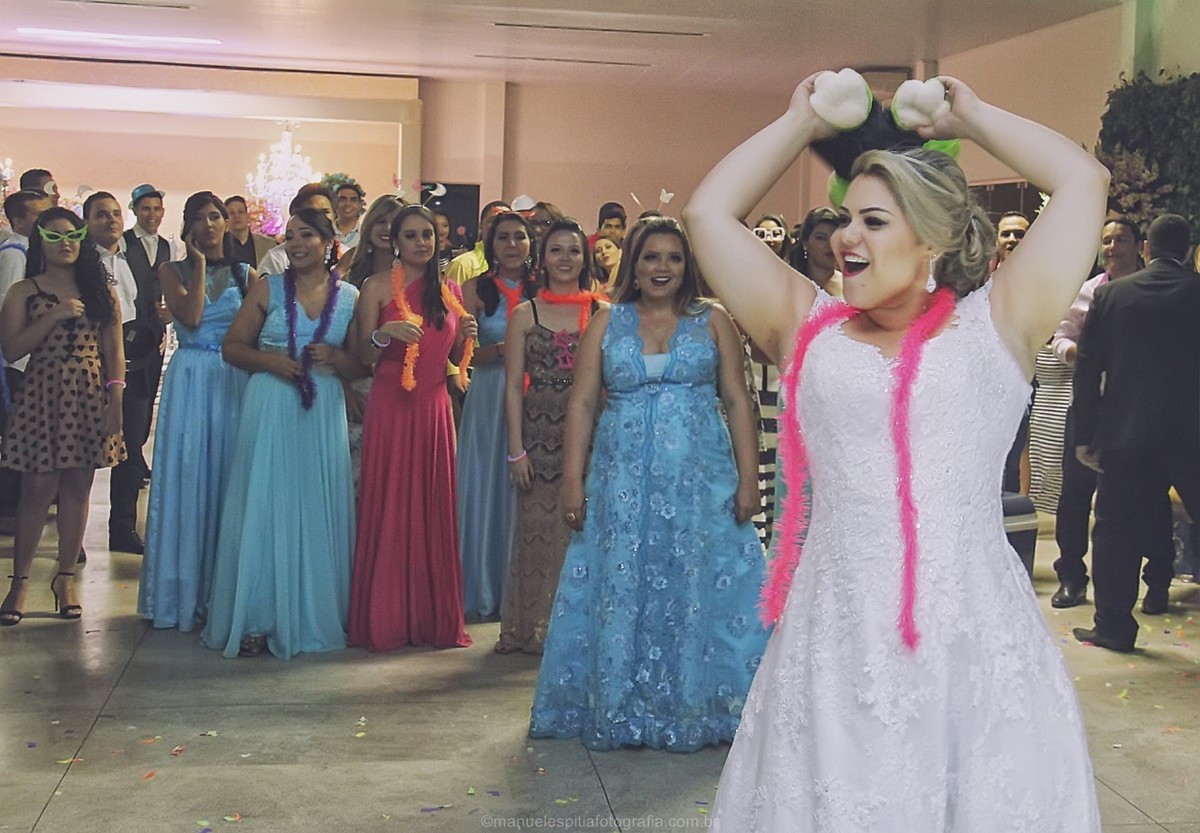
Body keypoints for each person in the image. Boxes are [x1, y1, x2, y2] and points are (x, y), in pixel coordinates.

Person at [683, 71, 1109, 828]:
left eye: (873, 221)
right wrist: (800, 123)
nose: (846, 237)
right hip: (836, 637)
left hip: (971, 636)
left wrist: (972, 117)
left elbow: (1083, 180)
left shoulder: (1001, 323)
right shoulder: (802, 324)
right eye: (846, 219)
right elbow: (706, 213)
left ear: (931, 241)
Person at [528, 216, 766, 750]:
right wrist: (572, 481)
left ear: (688, 266)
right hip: (622, 484)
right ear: (633, 264)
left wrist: (750, 480)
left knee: (699, 584)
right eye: (651, 257)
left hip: (700, 485)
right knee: (621, 582)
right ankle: (617, 704)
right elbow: (581, 404)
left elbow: (737, 400)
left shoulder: (713, 320)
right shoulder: (605, 322)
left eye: (674, 258)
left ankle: (700, 706)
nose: (662, 268)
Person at [201, 208, 362, 659]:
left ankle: (313, 612)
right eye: (289, 236)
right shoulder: (267, 288)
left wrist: (336, 357)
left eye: (306, 235)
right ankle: (257, 615)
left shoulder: (350, 296)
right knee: (268, 505)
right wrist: (270, 361)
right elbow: (232, 348)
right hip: (271, 405)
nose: (295, 244)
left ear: (329, 243)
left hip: (322, 408)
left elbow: (360, 364)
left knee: (314, 505)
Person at [348, 205, 477, 651]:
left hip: (434, 407)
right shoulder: (376, 286)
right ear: (394, 242)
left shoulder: (451, 291)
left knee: (432, 503)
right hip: (391, 403)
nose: (422, 242)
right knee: (390, 502)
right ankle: (386, 616)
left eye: (428, 235)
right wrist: (383, 334)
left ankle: (429, 615)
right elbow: (362, 356)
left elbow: (452, 356)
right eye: (411, 235)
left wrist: (466, 335)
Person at [1072, 213, 1200, 652]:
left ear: (1146, 248)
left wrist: (1085, 436)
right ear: (1188, 250)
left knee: (1115, 532)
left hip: (1127, 434)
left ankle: (1113, 626)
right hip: (1192, 436)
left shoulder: (1112, 295)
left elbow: (1087, 369)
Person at [0, 207, 124, 626]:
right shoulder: (23, 290)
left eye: (72, 235)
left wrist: (116, 399)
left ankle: (65, 578)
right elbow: (12, 348)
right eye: (53, 236)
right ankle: (19, 583)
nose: (64, 243)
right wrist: (54, 314)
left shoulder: (101, 290)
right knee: (36, 488)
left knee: (77, 486)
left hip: (89, 393)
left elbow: (114, 350)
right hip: (42, 392)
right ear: (40, 242)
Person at [138, 192, 255, 632]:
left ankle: (220, 594)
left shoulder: (247, 275)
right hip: (189, 379)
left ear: (227, 222)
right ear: (188, 227)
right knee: (189, 477)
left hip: (232, 378)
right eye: (199, 218)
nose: (208, 225)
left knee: (228, 477)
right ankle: (182, 593)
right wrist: (200, 264)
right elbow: (189, 317)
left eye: (215, 217)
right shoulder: (172, 270)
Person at [1049, 217, 1173, 608]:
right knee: (1074, 496)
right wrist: (1081, 355)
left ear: (1140, 245)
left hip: (1141, 412)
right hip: (1091, 405)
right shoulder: (1089, 291)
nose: (1112, 247)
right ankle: (1071, 577)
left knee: (1149, 498)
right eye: (1106, 240)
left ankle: (1157, 580)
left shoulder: (1157, 289)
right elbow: (1060, 338)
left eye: (1121, 239)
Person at [497, 218, 604, 654]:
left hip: (592, 433)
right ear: (542, 259)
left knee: (585, 532)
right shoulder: (525, 314)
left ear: (585, 258)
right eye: (556, 250)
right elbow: (511, 386)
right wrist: (516, 450)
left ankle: (580, 634)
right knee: (536, 533)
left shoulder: (604, 311)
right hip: (538, 434)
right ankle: (532, 629)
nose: (565, 258)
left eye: (574, 250)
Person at [456, 211, 538, 621]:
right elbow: (461, 356)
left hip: (536, 395)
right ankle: (484, 585)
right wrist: (505, 350)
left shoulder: (543, 288)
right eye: (503, 237)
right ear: (490, 244)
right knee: (487, 484)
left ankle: (525, 588)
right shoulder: (474, 288)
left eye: (519, 237)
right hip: (490, 393)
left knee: (529, 489)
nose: (512, 245)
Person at [110, 184, 173, 554]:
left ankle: (124, 522)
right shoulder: (122, 246)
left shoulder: (167, 247)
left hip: (151, 345)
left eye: (157, 208)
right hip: (120, 344)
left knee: (141, 420)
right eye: (145, 208)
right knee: (126, 432)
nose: (152, 214)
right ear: (134, 210)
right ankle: (117, 522)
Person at [339, 195, 406, 487]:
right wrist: (342, 387)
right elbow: (334, 338)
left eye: (394, 223)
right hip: (357, 386)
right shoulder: (348, 277)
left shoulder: (416, 278)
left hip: (401, 389)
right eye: (381, 221)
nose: (387, 229)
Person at [787, 207, 842, 296]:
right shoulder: (791, 283)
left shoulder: (850, 284)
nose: (829, 244)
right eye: (821, 238)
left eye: (834, 238)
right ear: (805, 242)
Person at [223, 195, 275, 269]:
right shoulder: (220, 246)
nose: (236, 216)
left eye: (240, 212)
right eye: (231, 213)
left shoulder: (268, 244)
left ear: (248, 216)